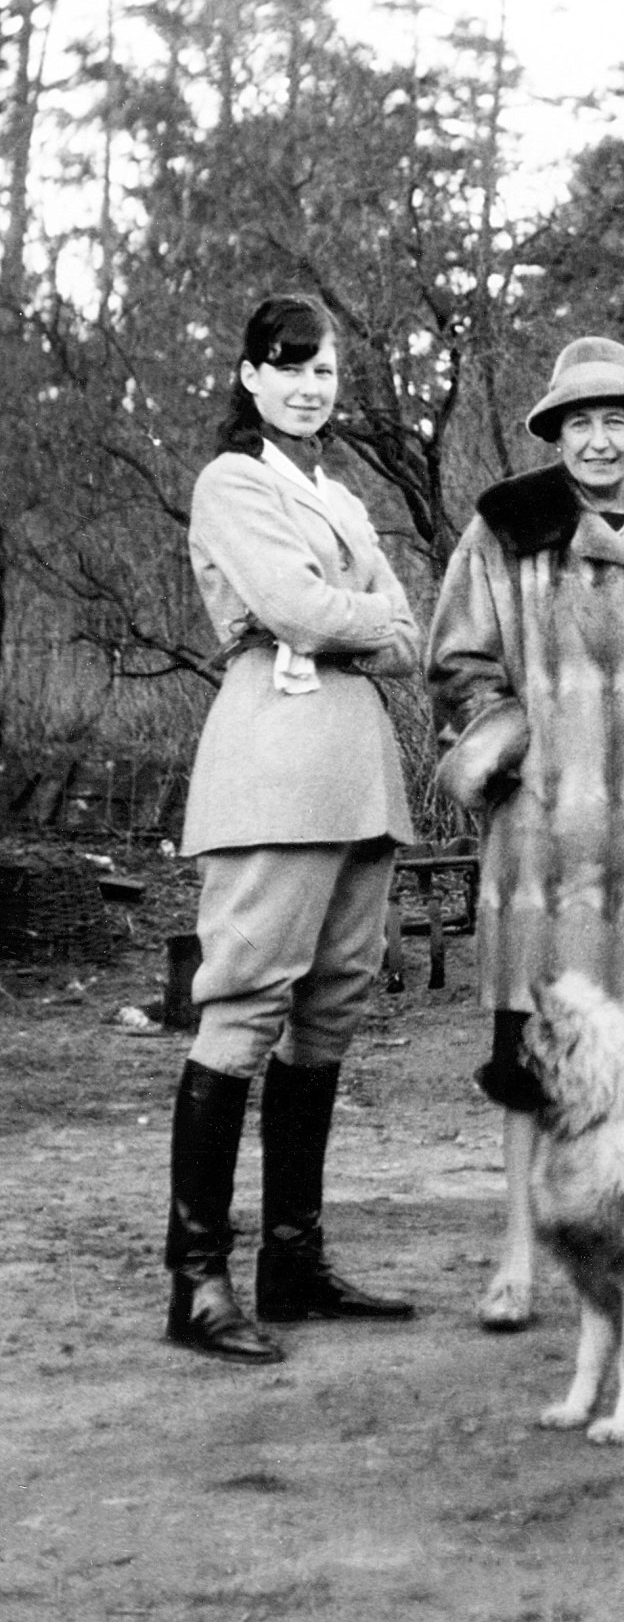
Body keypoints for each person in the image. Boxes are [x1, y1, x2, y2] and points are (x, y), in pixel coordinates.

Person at [427, 336, 624, 1330]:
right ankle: (517, 1256)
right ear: (555, 433)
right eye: (579, 423)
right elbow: (456, 661)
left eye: (616, 421)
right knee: (532, 1067)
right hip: (543, 851)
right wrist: (507, 742)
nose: (598, 441)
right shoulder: (504, 535)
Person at [166, 292, 423, 1365]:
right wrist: (350, 617)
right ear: (251, 374)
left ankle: (292, 1259)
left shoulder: (337, 493)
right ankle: (196, 1281)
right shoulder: (234, 480)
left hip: (357, 767)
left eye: (326, 368)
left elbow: (408, 634)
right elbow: (298, 608)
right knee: (244, 1006)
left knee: (331, 1008)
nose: (313, 384)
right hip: (272, 761)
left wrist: (349, 620)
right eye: (292, 365)